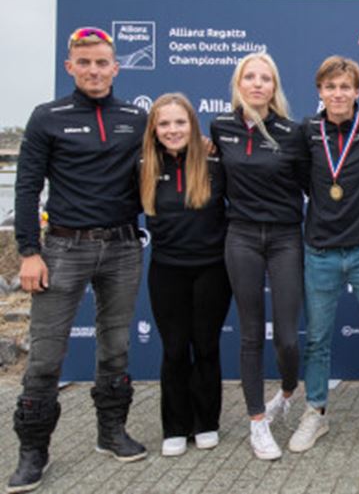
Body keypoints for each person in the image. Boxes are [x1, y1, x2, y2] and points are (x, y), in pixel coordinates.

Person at [10, 27, 147, 493]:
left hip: (125, 246)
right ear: (69, 66)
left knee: (115, 348)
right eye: (84, 63)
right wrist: (29, 251)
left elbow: (166, 162)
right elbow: (27, 187)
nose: (93, 70)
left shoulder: (136, 117)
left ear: (116, 67)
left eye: (102, 62)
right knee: (46, 356)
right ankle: (33, 453)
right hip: (63, 248)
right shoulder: (47, 117)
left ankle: (111, 434)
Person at [288, 57, 359, 453]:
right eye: (330, 87)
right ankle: (315, 412)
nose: (338, 94)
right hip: (321, 251)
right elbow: (302, 179)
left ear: (358, 91)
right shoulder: (306, 131)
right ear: (320, 92)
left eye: (345, 87)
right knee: (316, 338)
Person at [210, 52, 308, 461]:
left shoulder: (292, 131)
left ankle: (286, 392)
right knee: (250, 334)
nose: (256, 84)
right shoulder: (220, 128)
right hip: (242, 237)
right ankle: (256, 423)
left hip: (286, 236)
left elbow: (312, 185)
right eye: (249, 77)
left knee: (287, 337)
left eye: (264, 78)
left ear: (274, 86)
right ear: (238, 84)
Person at [140, 93, 231, 457]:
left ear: (193, 126)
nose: (173, 130)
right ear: (154, 129)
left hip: (212, 268)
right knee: (175, 349)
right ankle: (175, 426)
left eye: (180, 122)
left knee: (206, 346)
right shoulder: (143, 165)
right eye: (164, 123)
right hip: (167, 270)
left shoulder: (213, 163)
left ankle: (206, 421)